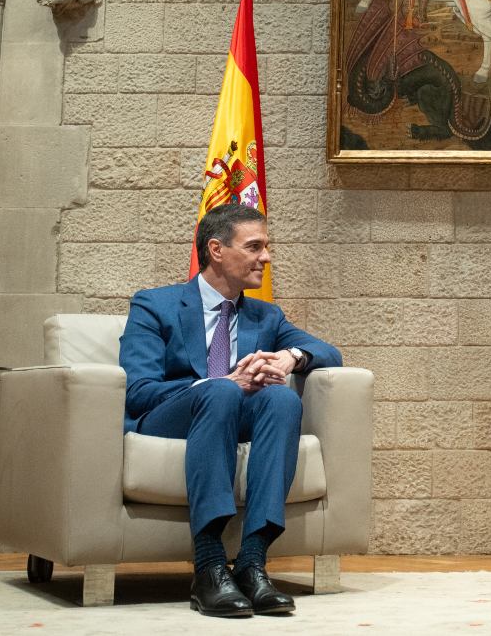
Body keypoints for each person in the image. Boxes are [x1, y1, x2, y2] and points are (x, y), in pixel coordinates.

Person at [119, 203, 341, 618]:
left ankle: (253, 564)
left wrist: (289, 358)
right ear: (217, 250)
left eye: (267, 246)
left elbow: (329, 352)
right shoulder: (155, 305)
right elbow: (139, 391)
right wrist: (222, 384)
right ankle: (207, 566)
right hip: (169, 418)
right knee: (221, 393)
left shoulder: (266, 315)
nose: (267, 257)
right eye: (255, 246)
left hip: (230, 418)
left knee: (281, 397)